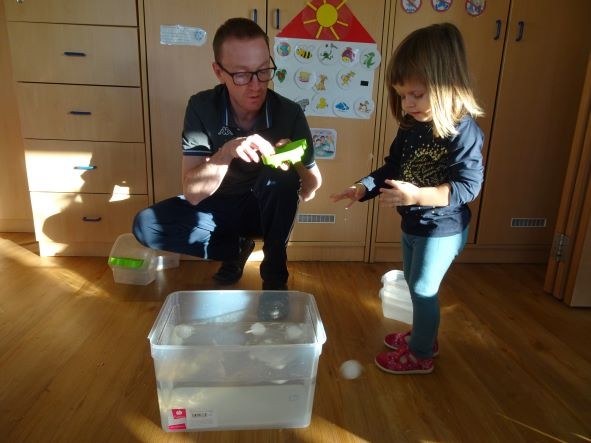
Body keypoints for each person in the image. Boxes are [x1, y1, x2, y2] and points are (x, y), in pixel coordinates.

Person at [331, 23, 484, 374]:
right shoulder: (411, 126)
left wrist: (416, 194)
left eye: (416, 94)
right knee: (416, 288)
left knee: (423, 289)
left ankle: (420, 354)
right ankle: (423, 336)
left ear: (448, 84)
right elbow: (392, 167)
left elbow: (468, 187)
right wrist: (363, 187)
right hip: (414, 224)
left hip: (443, 229)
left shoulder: (464, 132)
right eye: (402, 95)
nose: (407, 103)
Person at [132, 18, 322, 291]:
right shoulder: (202, 107)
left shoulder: (289, 113)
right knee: (146, 225)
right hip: (218, 207)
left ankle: (274, 275)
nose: (256, 85)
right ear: (218, 72)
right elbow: (193, 193)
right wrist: (227, 152)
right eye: (242, 75)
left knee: (281, 178)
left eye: (263, 70)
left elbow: (312, 186)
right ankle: (236, 249)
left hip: (264, 213)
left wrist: (294, 160)